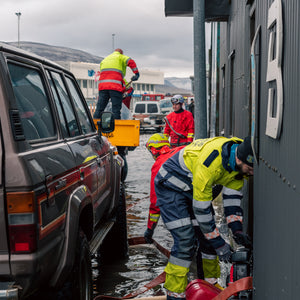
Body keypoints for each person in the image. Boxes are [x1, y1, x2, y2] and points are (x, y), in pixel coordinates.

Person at [154, 136, 254, 300]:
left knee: (207, 241)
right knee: (185, 241)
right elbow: (201, 212)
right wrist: (220, 244)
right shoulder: (210, 163)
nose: (251, 173)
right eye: (249, 169)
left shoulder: (238, 159)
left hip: (192, 189)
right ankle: (174, 293)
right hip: (171, 187)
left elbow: (232, 201)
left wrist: (237, 231)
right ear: (239, 159)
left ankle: (210, 286)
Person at [144, 133, 223, 289]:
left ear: (153, 150)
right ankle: (210, 285)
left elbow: (155, 204)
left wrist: (149, 230)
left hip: (187, 202)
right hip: (202, 196)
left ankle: (178, 289)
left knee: (183, 245)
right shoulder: (183, 150)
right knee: (206, 239)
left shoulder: (159, 165)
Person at [93, 48, 139, 120]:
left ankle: (94, 126)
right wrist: (136, 73)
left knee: (99, 109)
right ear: (121, 53)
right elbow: (131, 62)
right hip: (115, 87)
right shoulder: (120, 57)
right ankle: (116, 128)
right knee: (116, 110)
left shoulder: (105, 60)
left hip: (103, 87)